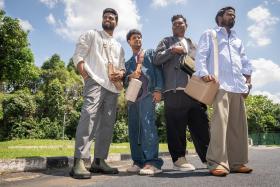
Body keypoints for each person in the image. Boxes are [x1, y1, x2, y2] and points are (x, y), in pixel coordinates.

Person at [195, 6, 253, 177]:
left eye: (234, 15)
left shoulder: (237, 39)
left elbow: (245, 62)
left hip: (237, 87)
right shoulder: (210, 34)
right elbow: (201, 54)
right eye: (229, 14)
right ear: (220, 17)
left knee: (238, 126)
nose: (233, 17)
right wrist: (204, 74)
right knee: (220, 124)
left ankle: (236, 162)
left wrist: (248, 81)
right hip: (220, 85)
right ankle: (217, 163)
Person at [70, 8, 125, 179]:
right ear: (102, 19)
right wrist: (85, 74)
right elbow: (79, 54)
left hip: (113, 88)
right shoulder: (92, 34)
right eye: (106, 17)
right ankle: (79, 160)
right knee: (88, 117)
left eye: (112, 17)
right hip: (94, 81)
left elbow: (122, 66)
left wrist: (122, 74)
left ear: (116, 22)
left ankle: (99, 161)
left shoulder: (119, 46)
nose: (108, 19)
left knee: (107, 125)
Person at [153, 15, 210, 171]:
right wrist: (172, 50)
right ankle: (179, 159)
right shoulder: (166, 41)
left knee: (201, 125)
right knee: (176, 126)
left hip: (195, 91)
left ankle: (208, 158)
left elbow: (201, 65)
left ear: (186, 25)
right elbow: (156, 59)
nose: (178, 25)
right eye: (175, 24)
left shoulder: (193, 45)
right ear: (172, 27)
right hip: (174, 90)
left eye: (181, 23)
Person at [124, 29, 164, 175]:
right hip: (133, 98)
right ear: (129, 41)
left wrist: (159, 89)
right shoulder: (128, 62)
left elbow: (158, 71)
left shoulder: (150, 53)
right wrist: (130, 76)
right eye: (134, 38)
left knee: (148, 127)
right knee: (134, 129)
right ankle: (138, 161)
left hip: (148, 95)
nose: (138, 39)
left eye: (140, 37)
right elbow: (123, 80)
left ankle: (152, 162)